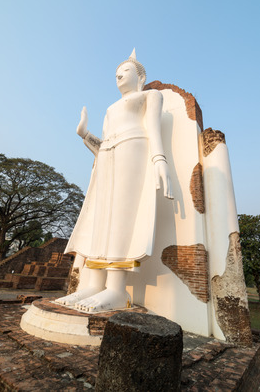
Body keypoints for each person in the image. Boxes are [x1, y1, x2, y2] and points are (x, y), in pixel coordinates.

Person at [56, 49, 173, 312]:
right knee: (101, 219)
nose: (119, 75)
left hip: (134, 148)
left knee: (121, 215)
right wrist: (85, 134)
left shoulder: (150, 95)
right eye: (117, 73)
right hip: (107, 155)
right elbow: (101, 146)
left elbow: (153, 129)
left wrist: (159, 161)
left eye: (126, 71)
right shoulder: (110, 108)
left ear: (140, 76)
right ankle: (94, 284)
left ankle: (116, 290)